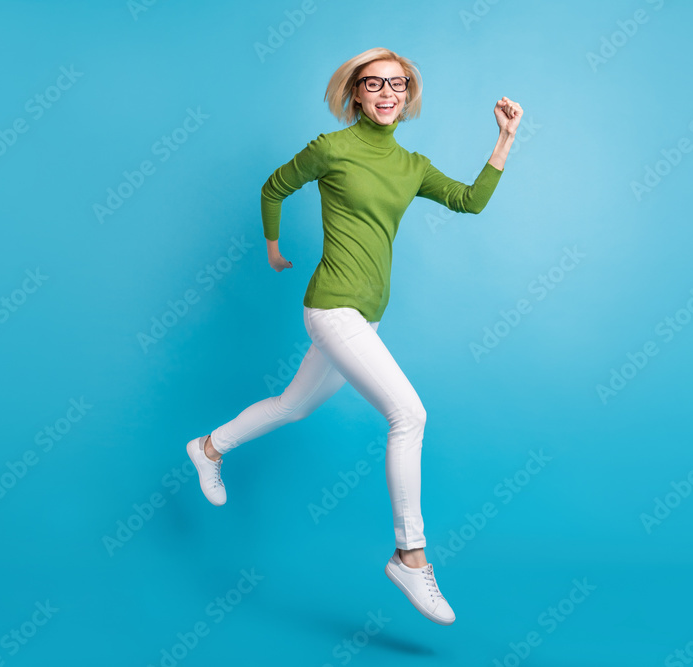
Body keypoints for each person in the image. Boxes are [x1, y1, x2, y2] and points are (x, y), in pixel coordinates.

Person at [186, 47, 522, 625]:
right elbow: (273, 187)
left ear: (408, 93)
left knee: (293, 405)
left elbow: (469, 202)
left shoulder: (411, 165)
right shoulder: (331, 149)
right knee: (409, 416)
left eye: (397, 83)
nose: (386, 93)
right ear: (356, 94)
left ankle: (209, 447)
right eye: (374, 84)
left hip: (365, 317)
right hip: (331, 306)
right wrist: (271, 247)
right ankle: (409, 556)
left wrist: (505, 139)